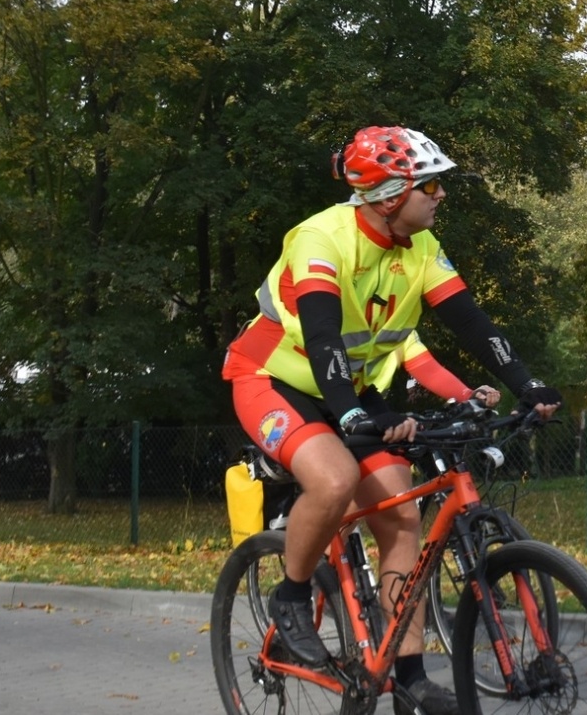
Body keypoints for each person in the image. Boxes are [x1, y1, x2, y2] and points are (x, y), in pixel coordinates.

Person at [222, 125, 562, 715]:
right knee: (333, 479)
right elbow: (324, 337)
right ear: (387, 197)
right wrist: (354, 414)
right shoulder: (321, 239)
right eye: (428, 185)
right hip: (273, 380)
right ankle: (291, 595)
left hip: (350, 390)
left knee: (403, 517)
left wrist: (526, 385)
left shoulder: (421, 248)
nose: (440, 195)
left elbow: (473, 324)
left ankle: (408, 673)